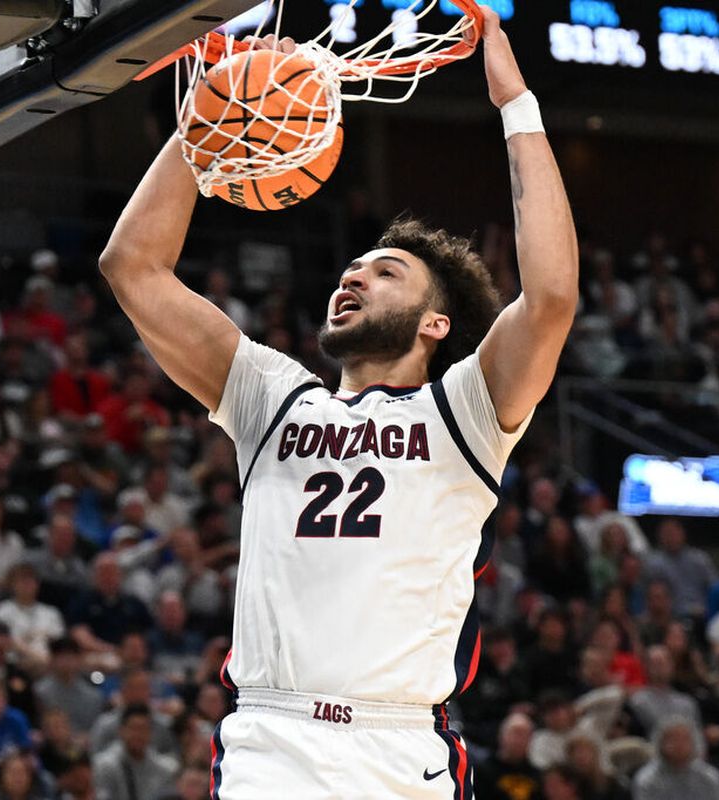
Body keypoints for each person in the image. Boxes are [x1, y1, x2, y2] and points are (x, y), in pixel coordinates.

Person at [97, 12, 578, 797]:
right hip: (271, 738)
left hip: (395, 748)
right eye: (350, 269)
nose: (352, 278)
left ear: (436, 323)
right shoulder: (272, 399)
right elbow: (133, 267)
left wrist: (517, 105)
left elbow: (552, 296)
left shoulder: (464, 413)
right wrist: (217, 110)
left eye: (385, 272)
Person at [92, 703, 180, 800]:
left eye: (143, 729)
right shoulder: (104, 765)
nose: (138, 735)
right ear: (121, 731)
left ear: (150, 733)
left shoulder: (164, 768)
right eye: (134, 728)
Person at [631, 717, 719, 800]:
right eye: (673, 739)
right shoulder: (648, 779)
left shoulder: (709, 777)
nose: (679, 745)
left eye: (685, 739)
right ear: (660, 743)